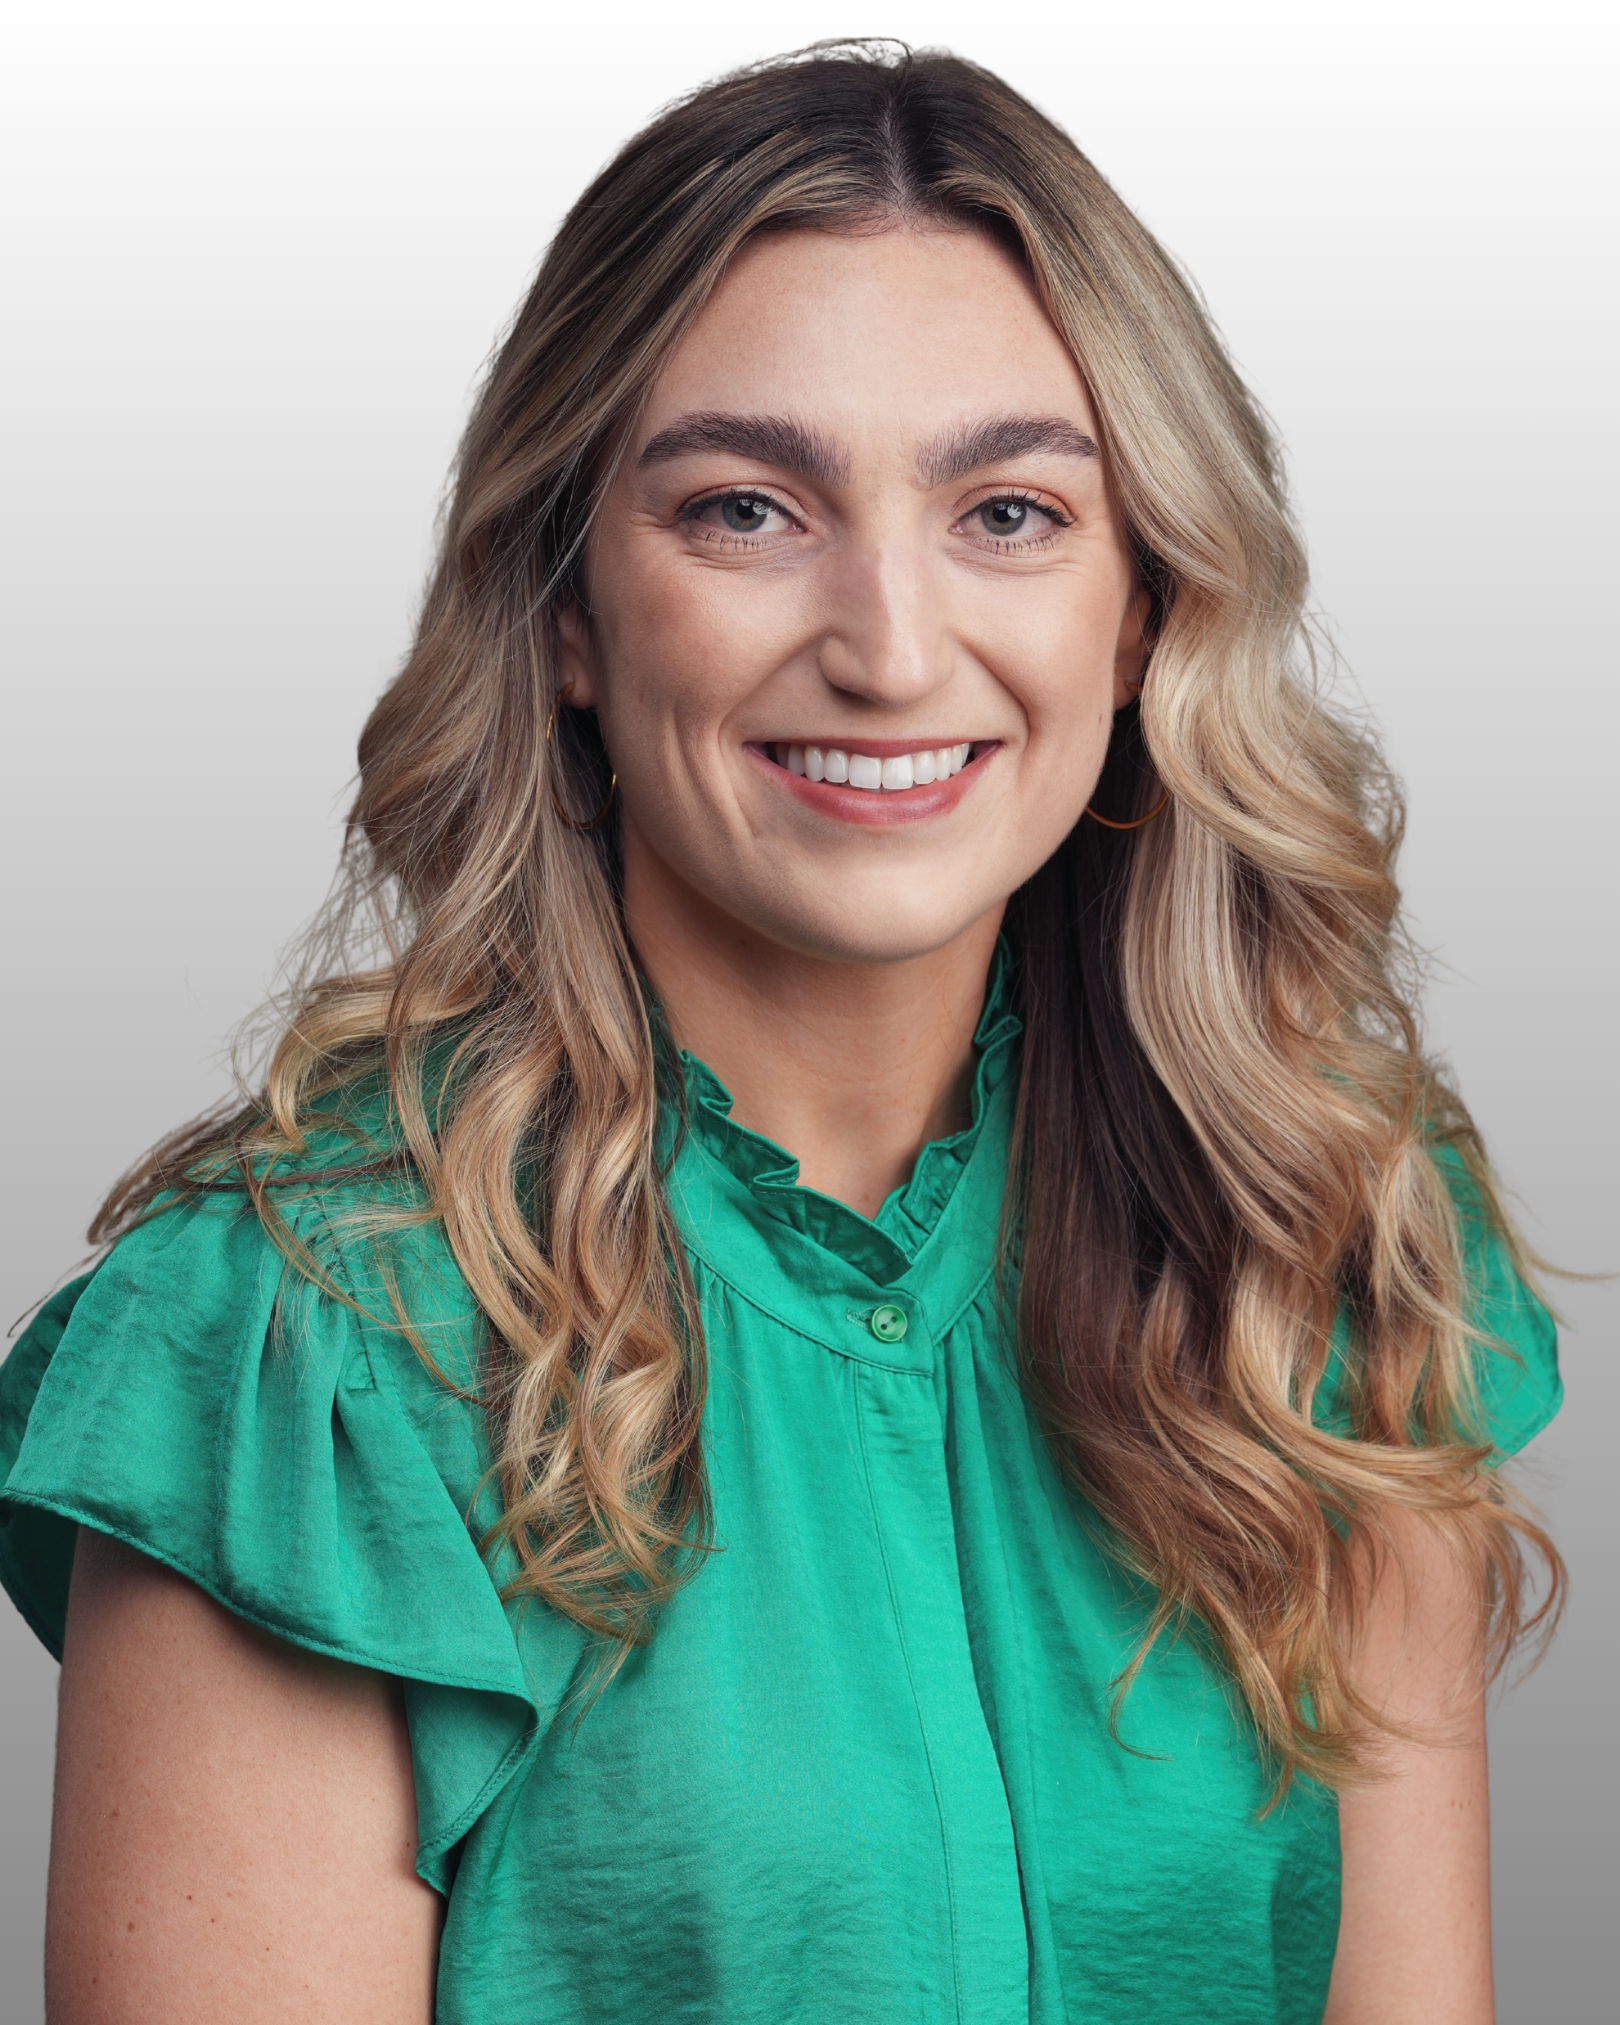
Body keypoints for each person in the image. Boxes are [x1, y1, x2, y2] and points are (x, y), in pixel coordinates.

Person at [0, 42, 1562, 2025]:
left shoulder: (1322, 1234)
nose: (894, 645)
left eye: (1009, 511)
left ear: (1146, 610)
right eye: (745, 509)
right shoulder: (305, 1353)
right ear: (568, 611)